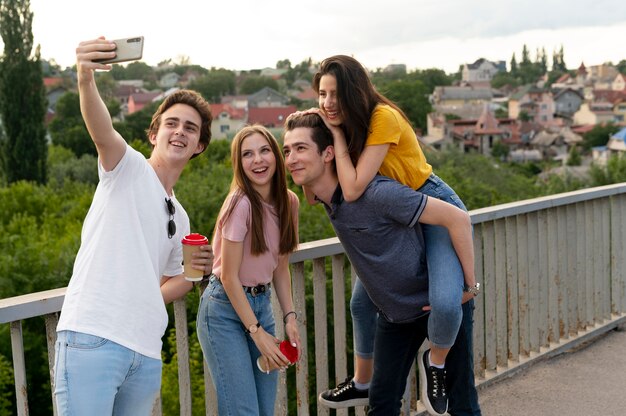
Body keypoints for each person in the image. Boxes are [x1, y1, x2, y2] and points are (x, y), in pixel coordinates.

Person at [307, 55, 481, 415]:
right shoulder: (352, 125)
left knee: (448, 304)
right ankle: (362, 382)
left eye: (335, 93)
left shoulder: (381, 118)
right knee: (361, 303)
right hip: (404, 215)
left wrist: (471, 284)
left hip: (434, 207)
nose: (327, 103)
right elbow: (322, 181)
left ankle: (435, 363)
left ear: (355, 91)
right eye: (322, 94)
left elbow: (353, 188)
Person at [54, 37, 214, 415]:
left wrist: (194, 276)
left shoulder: (181, 214)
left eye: (190, 128)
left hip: (144, 353)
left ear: (200, 145)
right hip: (94, 337)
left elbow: (171, 282)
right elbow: (101, 129)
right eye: (171, 124)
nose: (180, 131)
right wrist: (85, 79)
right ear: (153, 134)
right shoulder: (127, 167)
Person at [196, 125, 301, 415]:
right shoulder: (239, 204)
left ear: (276, 155)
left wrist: (290, 316)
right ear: (239, 164)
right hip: (224, 311)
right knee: (244, 411)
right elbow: (228, 277)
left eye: (264, 150)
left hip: (261, 305)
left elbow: (280, 267)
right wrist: (256, 333)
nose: (258, 160)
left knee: (265, 410)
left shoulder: (289, 203)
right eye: (248, 154)